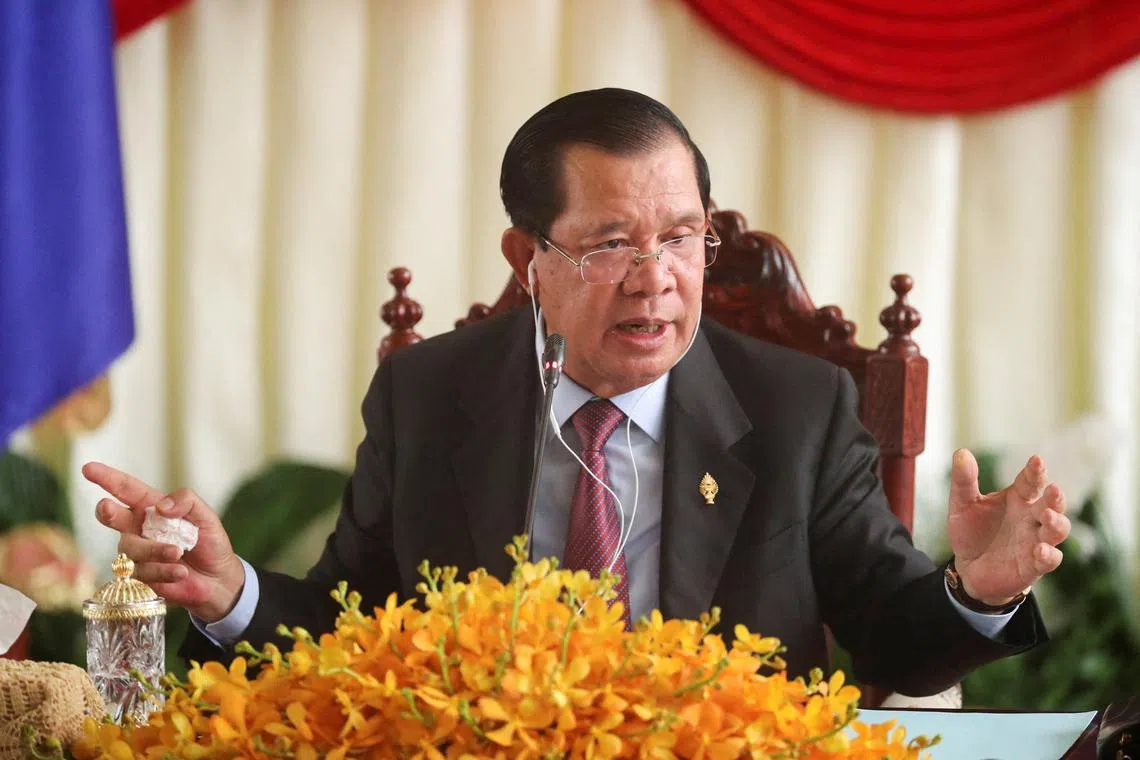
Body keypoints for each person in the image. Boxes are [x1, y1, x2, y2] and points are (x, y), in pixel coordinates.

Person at [85, 88, 1070, 697]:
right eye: (610, 245)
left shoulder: (795, 409)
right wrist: (231, 592)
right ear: (529, 259)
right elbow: (355, 624)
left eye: (683, 237)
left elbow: (891, 636)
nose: (658, 279)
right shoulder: (428, 396)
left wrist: (977, 589)